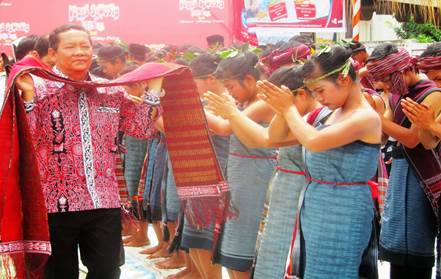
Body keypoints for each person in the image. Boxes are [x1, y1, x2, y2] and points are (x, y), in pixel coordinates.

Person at [14, 24, 161, 279]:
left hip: (103, 201)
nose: (79, 52)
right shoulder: (36, 88)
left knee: (107, 271)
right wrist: (27, 98)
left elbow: (142, 129)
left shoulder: (110, 89)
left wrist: (155, 89)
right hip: (54, 205)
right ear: (53, 53)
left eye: (85, 46)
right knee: (59, 275)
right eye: (70, 46)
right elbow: (26, 138)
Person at [258, 45, 381, 278]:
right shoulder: (326, 113)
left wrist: (289, 109)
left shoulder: (366, 117)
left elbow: (314, 141)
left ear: (344, 79)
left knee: (336, 271)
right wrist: (283, 110)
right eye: (314, 93)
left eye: (320, 91)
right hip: (315, 205)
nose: (319, 99)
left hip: (345, 209)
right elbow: (275, 138)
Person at [205, 64, 320, 279]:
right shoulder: (290, 113)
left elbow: (262, 138)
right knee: (272, 254)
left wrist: (231, 114)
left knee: (290, 258)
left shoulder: (315, 118)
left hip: (300, 194)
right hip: (281, 188)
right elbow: (269, 138)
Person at [366, 43, 441, 279]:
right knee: (399, 243)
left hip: (420, 176)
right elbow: (384, 133)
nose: (386, 86)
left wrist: (377, 118)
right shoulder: (399, 94)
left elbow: (411, 139)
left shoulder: (433, 94)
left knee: (416, 244)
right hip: (402, 172)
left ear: (405, 70)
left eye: (388, 79)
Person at [204, 51, 277, 279]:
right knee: (232, 238)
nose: (229, 92)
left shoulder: (263, 102)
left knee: (245, 238)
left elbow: (225, 127)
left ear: (249, 80)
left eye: (230, 86)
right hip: (239, 173)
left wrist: (194, 109)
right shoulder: (245, 101)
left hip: (255, 176)